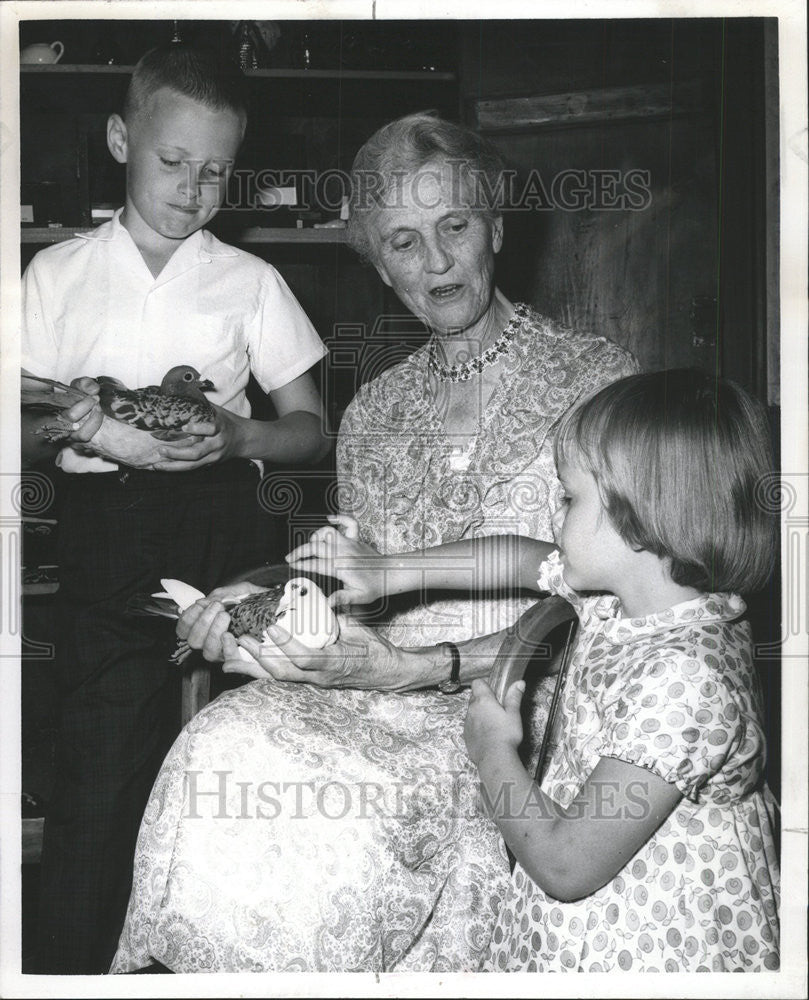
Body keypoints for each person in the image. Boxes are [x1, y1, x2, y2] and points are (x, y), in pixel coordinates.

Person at [110, 112, 637, 973]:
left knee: (333, 817)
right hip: (371, 679)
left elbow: (611, 611)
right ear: (377, 263)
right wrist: (265, 610)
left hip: (522, 693)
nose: (435, 263)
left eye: (454, 227)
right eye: (402, 240)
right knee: (218, 745)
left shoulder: (595, 382)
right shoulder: (374, 412)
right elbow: (363, 588)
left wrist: (419, 668)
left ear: (495, 227)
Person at [21, 43, 328, 974]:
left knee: (235, 767)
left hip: (225, 529)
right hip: (106, 534)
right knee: (99, 770)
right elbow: (21, 417)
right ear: (121, 138)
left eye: (217, 171)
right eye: (172, 161)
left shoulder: (250, 283)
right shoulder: (55, 276)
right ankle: (75, 969)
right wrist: (73, 427)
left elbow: (312, 431)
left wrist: (239, 439)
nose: (194, 189)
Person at [316, 369, 779, 972]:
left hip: (647, 940)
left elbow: (565, 865)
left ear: (639, 516)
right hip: (597, 904)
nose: (556, 517)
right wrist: (389, 570)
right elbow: (515, 556)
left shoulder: (686, 680)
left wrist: (491, 752)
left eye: (569, 498)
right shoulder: (628, 595)